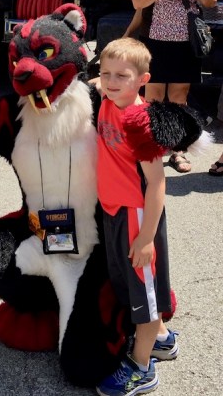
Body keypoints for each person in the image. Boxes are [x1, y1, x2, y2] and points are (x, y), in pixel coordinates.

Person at [94, 38, 178, 396]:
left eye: (122, 76)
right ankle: (161, 339)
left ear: (143, 79)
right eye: (105, 73)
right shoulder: (107, 101)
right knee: (134, 288)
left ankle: (142, 368)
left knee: (144, 298)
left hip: (136, 216)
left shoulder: (140, 121)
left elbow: (158, 182)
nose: (111, 82)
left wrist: (146, 237)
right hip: (114, 210)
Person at [132, 0, 217, 173]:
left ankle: (178, 151)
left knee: (179, 97)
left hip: (186, 43)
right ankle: (153, 149)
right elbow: (138, 1)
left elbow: (212, 1)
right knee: (154, 97)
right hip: (157, 40)